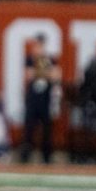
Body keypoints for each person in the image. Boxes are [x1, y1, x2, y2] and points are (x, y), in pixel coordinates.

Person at [20, 34, 60, 164]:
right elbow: (28, 75)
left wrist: (40, 70)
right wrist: (44, 71)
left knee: (47, 130)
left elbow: (55, 76)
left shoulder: (50, 59)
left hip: (45, 100)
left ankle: (46, 157)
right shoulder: (30, 59)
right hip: (33, 100)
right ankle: (26, 156)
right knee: (29, 129)